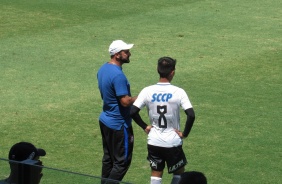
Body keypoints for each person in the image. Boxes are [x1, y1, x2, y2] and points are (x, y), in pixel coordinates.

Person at [130, 56, 196, 184]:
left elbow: (132, 111)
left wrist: (145, 126)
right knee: (178, 173)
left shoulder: (147, 90)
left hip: (154, 141)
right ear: (172, 72)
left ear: (157, 70)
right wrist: (184, 134)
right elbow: (191, 115)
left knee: (156, 175)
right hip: (173, 142)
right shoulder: (178, 92)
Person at [97, 40, 137, 183]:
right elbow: (125, 101)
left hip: (105, 120)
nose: (129, 54)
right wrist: (141, 97)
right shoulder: (118, 75)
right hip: (119, 124)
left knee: (108, 159)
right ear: (117, 55)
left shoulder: (103, 69)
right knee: (122, 163)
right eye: (126, 52)